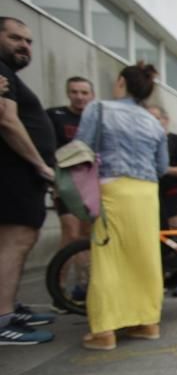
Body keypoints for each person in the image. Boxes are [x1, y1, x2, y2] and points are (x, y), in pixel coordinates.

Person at [77, 62, 168, 350]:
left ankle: (105, 330)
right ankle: (147, 322)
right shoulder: (154, 122)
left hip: (112, 187)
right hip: (146, 191)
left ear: (120, 83)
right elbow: (162, 166)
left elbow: (82, 148)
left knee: (108, 257)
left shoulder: (99, 109)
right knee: (145, 256)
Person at [0, 17, 57, 345]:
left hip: (20, 174)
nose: (24, 45)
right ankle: (4, 318)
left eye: (29, 40)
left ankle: (9, 307)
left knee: (18, 242)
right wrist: (40, 164)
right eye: (15, 38)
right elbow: (7, 120)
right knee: (15, 242)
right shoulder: (2, 71)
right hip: (14, 172)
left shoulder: (9, 75)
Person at [147, 105, 177, 297]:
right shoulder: (143, 141)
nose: (153, 123)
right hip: (148, 193)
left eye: (157, 118)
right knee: (153, 237)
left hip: (173, 192)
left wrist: (162, 169)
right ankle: (158, 278)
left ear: (165, 120)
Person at [47, 76, 96, 252]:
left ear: (92, 95)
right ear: (68, 93)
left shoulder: (97, 120)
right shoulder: (54, 116)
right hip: (65, 181)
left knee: (87, 234)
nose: (79, 96)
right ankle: (59, 278)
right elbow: (47, 149)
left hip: (91, 183)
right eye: (74, 92)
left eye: (84, 92)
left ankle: (83, 278)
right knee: (70, 232)